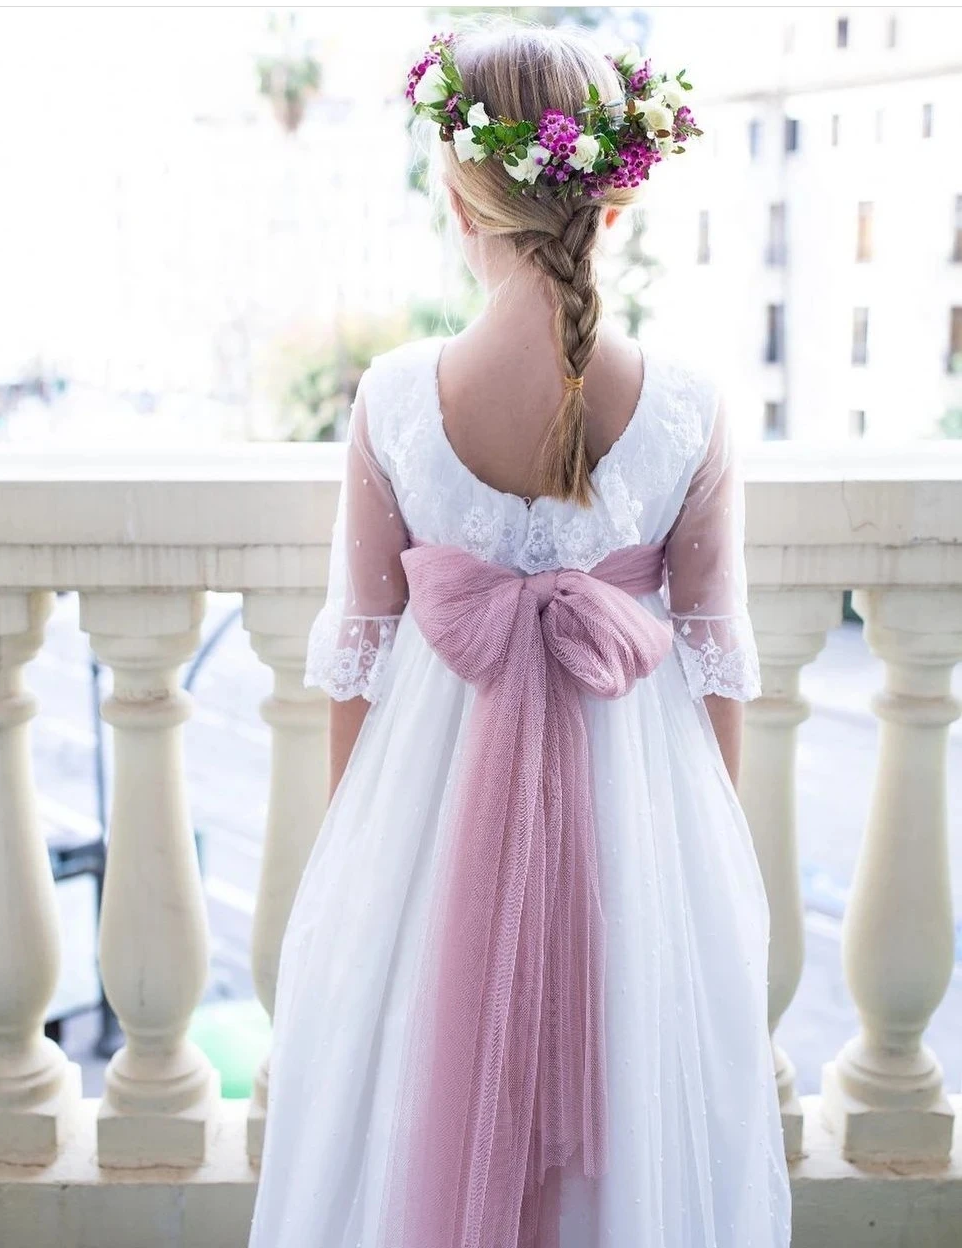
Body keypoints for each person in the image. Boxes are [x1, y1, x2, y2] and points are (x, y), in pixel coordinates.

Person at [250, 21, 791, 1248]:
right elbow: (715, 666)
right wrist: (698, 879)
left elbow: (362, 667)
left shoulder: (393, 399)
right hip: (633, 812)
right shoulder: (692, 408)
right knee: (632, 1087)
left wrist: (361, 866)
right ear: (613, 198)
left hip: (430, 818)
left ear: (456, 196)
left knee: (417, 1086)